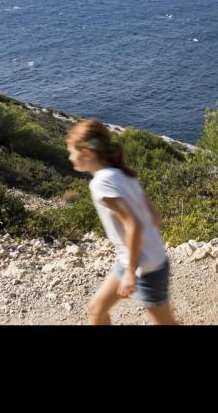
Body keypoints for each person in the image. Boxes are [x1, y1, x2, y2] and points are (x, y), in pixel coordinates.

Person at [67, 120, 177, 325]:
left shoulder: (101, 183)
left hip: (143, 267)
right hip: (137, 260)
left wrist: (130, 272)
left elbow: (134, 224)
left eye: (72, 152)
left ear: (88, 153)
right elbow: (155, 217)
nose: (70, 157)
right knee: (96, 310)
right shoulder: (125, 175)